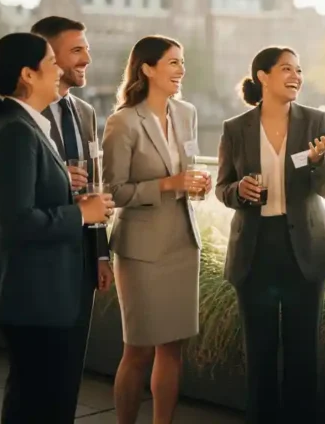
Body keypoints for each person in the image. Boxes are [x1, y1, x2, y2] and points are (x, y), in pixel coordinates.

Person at [0, 32, 114, 424]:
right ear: (28, 75)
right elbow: (16, 223)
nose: (59, 69)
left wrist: (81, 205)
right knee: (35, 403)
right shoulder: (16, 131)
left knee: (42, 398)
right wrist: (81, 213)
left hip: (42, 294)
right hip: (32, 296)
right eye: (51, 61)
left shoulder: (25, 126)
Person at [215, 46, 325, 424]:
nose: (296, 76)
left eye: (299, 70)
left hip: (304, 250)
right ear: (263, 77)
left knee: (304, 355)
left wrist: (319, 163)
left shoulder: (317, 122)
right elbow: (222, 188)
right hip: (255, 251)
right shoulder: (235, 128)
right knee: (260, 354)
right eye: (287, 69)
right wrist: (239, 192)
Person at [102, 35, 210, 424]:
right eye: (173, 63)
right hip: (142, 252)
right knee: (139, 350)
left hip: (182, 243)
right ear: (147, 68)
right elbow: (113, 192)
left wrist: (197, 185)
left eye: (182, 62)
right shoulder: (123, 121)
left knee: (172, 348)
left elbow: (187, 172)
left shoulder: (187, 113)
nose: (181, 70)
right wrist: (170, 184)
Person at [31, 16, 113, 295]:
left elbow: (95, 187)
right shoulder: (20, 115)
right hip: (40, 262)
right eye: (77, 50)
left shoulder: (86, 112)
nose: (87, 59)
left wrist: (101, 255)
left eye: (87, 49)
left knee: (78, 340)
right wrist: (57, 178)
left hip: (84, 263)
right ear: (49, 57)